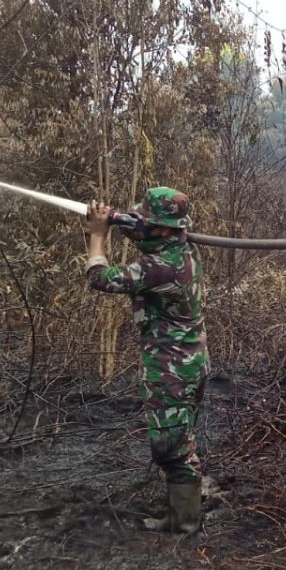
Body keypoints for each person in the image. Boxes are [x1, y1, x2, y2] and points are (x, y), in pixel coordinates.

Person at [85, 187, 210, 536]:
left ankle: (184, 522)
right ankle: (182, 512)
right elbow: (145, 237)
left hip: (172, 368)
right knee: (179, 440)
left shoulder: (160, 267)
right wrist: (122, 221)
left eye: (146, 220)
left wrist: (98, 234)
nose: (138, 223)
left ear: (164, 229)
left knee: (172, 446)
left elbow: (99, 278)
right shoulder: (182, 248)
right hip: (188, 362)